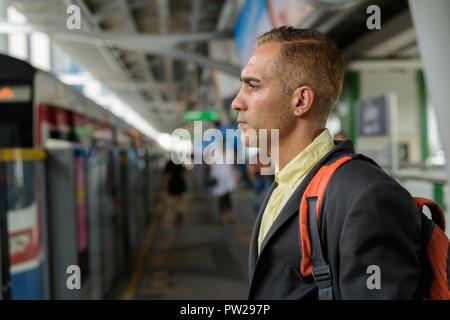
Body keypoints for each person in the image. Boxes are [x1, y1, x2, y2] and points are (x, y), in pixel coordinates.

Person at [231, 26, 423, 299]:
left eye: (252, 86)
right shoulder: (284, 182)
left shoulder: (367, 196)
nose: (237, 102)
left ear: (301, 101)